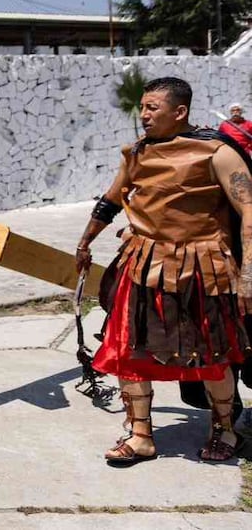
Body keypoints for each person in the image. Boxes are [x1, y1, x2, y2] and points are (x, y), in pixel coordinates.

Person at [76, 77, 252, 465]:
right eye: (142, 107)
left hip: (204, 269)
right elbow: (111, 201)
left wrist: (249, 274)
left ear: (180, 112)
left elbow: (249, 210)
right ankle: (140, 435)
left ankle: (225, 430)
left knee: (210, 353)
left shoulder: (216, 153)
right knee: (130, 349)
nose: (143, 116)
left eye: (152, 108)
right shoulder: (137, 154)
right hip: (142, 266)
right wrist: (85, 241)